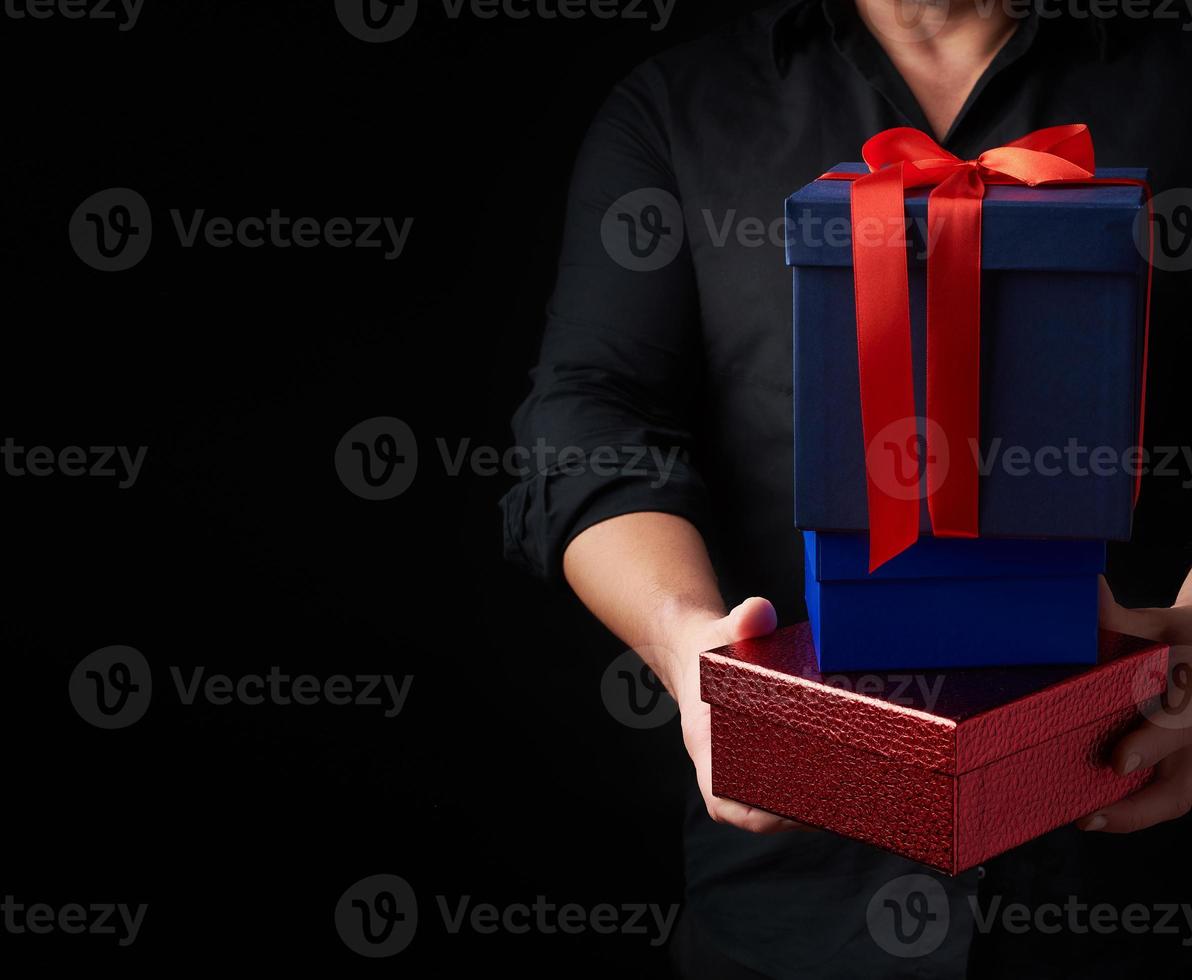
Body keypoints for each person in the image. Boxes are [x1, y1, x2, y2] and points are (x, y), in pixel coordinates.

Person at [501, 0, 1192, 974]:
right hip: (788, 899)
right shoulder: (676, 106)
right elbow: (587, 418)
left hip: (1138, 873)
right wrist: (688, 645)